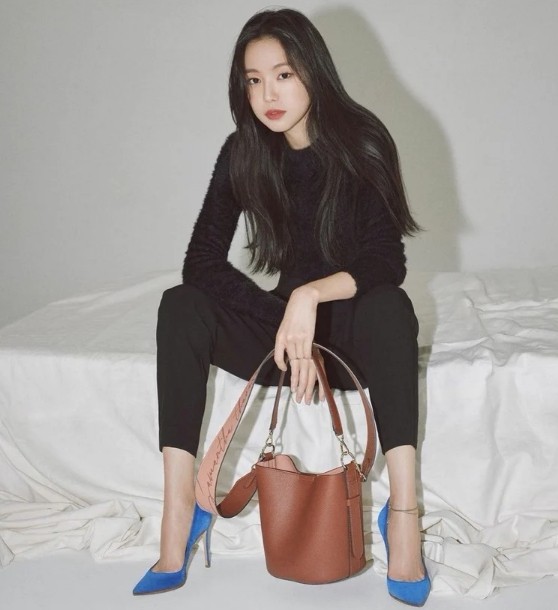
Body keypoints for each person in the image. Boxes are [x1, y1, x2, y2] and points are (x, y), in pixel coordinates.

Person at [132, 7, 431, 606]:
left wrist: (309, 295)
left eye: (284, 75)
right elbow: (201, 263)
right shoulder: (243, 152)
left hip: (351, 329)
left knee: (392, 308)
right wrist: (287, 324)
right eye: (254, 79)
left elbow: (385, 262)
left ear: (313, 72)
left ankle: (403, 514)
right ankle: (181, 510)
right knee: (180, 305)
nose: (268, 94)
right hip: (283, 335)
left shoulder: (364, 141)